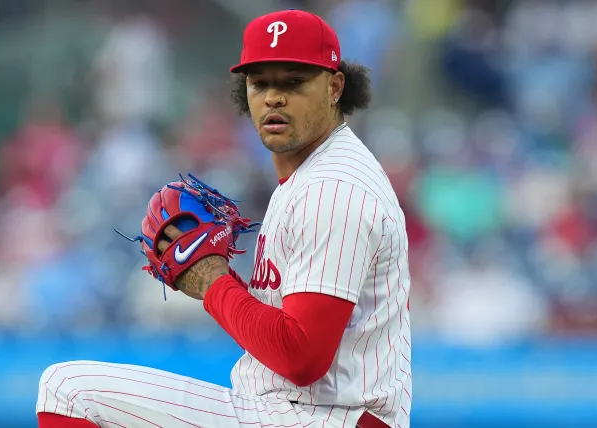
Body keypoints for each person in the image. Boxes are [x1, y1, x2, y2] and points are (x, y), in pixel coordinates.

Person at [36, 9, 412, 428]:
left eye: (293, 82)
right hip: (297, 412)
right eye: (260, 83)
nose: (273, 97)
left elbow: (302, 356)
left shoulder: (334, 188)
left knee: (68, 390)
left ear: (334, 87)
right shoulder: (311, 175)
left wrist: (213, 284)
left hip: (324, 418)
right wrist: (221, 281)